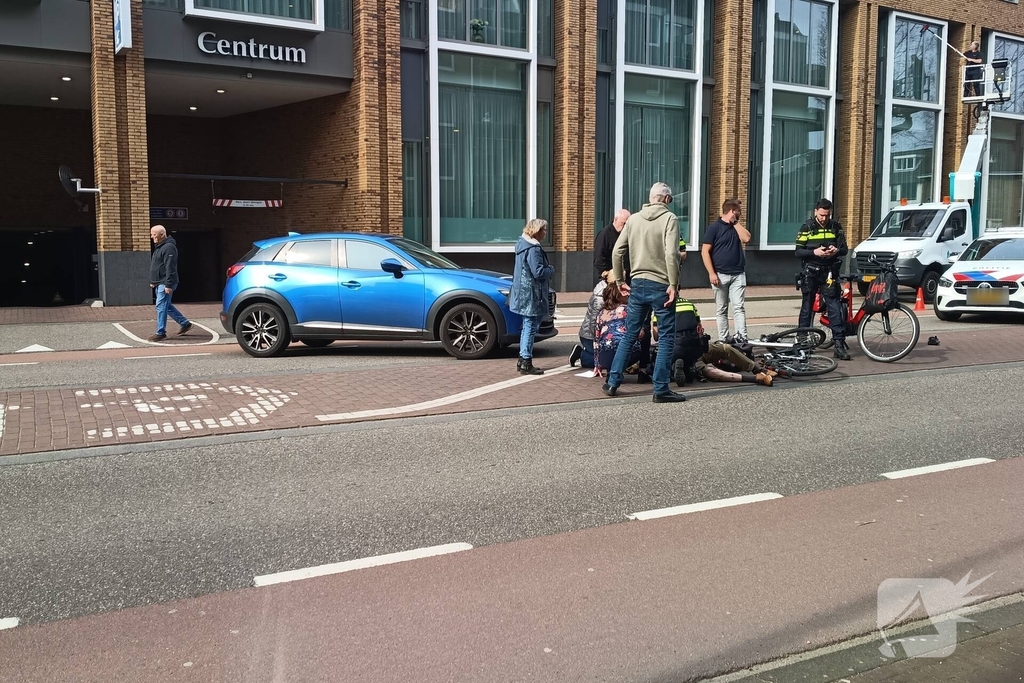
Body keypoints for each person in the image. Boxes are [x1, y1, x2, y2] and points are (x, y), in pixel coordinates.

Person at [602, 182, 685, 403]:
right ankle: (660, 388)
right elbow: (671, 254)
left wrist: (620, 280)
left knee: (630, 333)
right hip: (661, 284)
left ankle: (612, 381)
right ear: (666, 199)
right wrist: (674, 284)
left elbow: (617, 251)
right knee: (666, 336)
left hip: (637, 283)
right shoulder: (670, 219)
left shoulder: (634, 219)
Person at [795, 198, 850, 361]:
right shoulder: (807, 227)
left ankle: (839, 344)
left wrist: (836, 250)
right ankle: (803, 343)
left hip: (829, 272)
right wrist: (814, 252)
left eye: (827, 215)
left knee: (834, 306)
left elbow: (844, 249)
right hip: (811, 272)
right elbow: (798, 251)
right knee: (807, 306)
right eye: (821, 215)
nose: (824, 218)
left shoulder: (835, 226)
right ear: (815, 212)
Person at [702, 198, 751, 343]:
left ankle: (742, 338)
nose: (740, 214)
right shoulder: (714, 228)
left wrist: (735, 223)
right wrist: (711, 273)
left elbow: (747, 238)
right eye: (738, 212)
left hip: (738, 273)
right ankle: (724, 339)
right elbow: (705, 251)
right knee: (721, 309)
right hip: (720, 274)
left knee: (738, 307)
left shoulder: (736, 227)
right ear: (731, 211)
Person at [510, 218, 555, 375]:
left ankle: (522, 360)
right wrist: (550, 270)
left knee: (527, 326)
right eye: (544, 230)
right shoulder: (533, 249)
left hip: (523, 292)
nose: (545, 233)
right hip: (532, 293)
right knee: (530, 327)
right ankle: (526, 361)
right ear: (537, 231)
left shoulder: (522, 245)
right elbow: (538, 272)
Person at [594, 283, 650, 382]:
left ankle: (610, 371)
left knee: (608, 342)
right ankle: (643, 370)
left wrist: (597, 364)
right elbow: (640, 334)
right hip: (628, 353)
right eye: (625, 292)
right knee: (645, 333)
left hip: (604, 357)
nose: (628, 294)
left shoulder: (601, 313)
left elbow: (596, 340)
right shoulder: (629, 310)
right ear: (619, 296)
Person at [149, 225, 192, 342]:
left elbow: (170, 267)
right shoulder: (160, 246)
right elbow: (158, 265)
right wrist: (153, 281)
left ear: (162, 234)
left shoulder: (168, 247)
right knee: (165, 306)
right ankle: (185, 323)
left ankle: (160, 332)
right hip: (160, 282)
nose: (152, 236)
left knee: (161, 306)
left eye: (154, 234)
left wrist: (168, 284)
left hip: (166, 282)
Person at [569, 271, 611, 368]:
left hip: (596, 335)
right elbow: (593, 322)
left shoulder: (605, 291)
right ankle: (581, 355)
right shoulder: (600, 298)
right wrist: (598, 340)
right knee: (605, 362)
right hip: (589, 336)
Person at [593, 209, 631, 284]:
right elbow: (599, 258)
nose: (624, 227)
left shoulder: (628, 234)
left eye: (627, 225)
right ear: (615, 219)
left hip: (627, 276)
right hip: (611, 278)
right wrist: (607, 275)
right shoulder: (604, 235)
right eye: (622, 223)